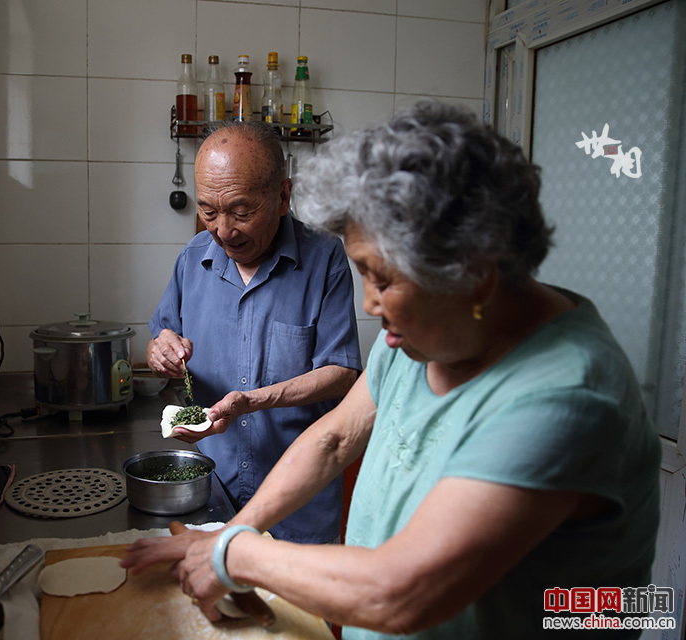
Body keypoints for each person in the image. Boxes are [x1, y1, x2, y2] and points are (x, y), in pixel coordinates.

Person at [125, 101, 662, 638]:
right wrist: (232, 534)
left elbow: (401, 592)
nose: (370, 304)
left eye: (382, 279)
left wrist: (231, 556)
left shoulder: (566, 396)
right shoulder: (423, 333)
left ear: (474, 273)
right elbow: (333, 439)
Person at [146, 121, 362, 544]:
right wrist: (162, 352)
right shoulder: (193, 259)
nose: (223, 230)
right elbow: (163, 338)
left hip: (298, 501)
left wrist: (252, 402)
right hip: (211, 493)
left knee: (298, 611)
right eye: (208, 211)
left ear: (283, 196)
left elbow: (342, 370)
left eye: (241, 212)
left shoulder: (325, 260)